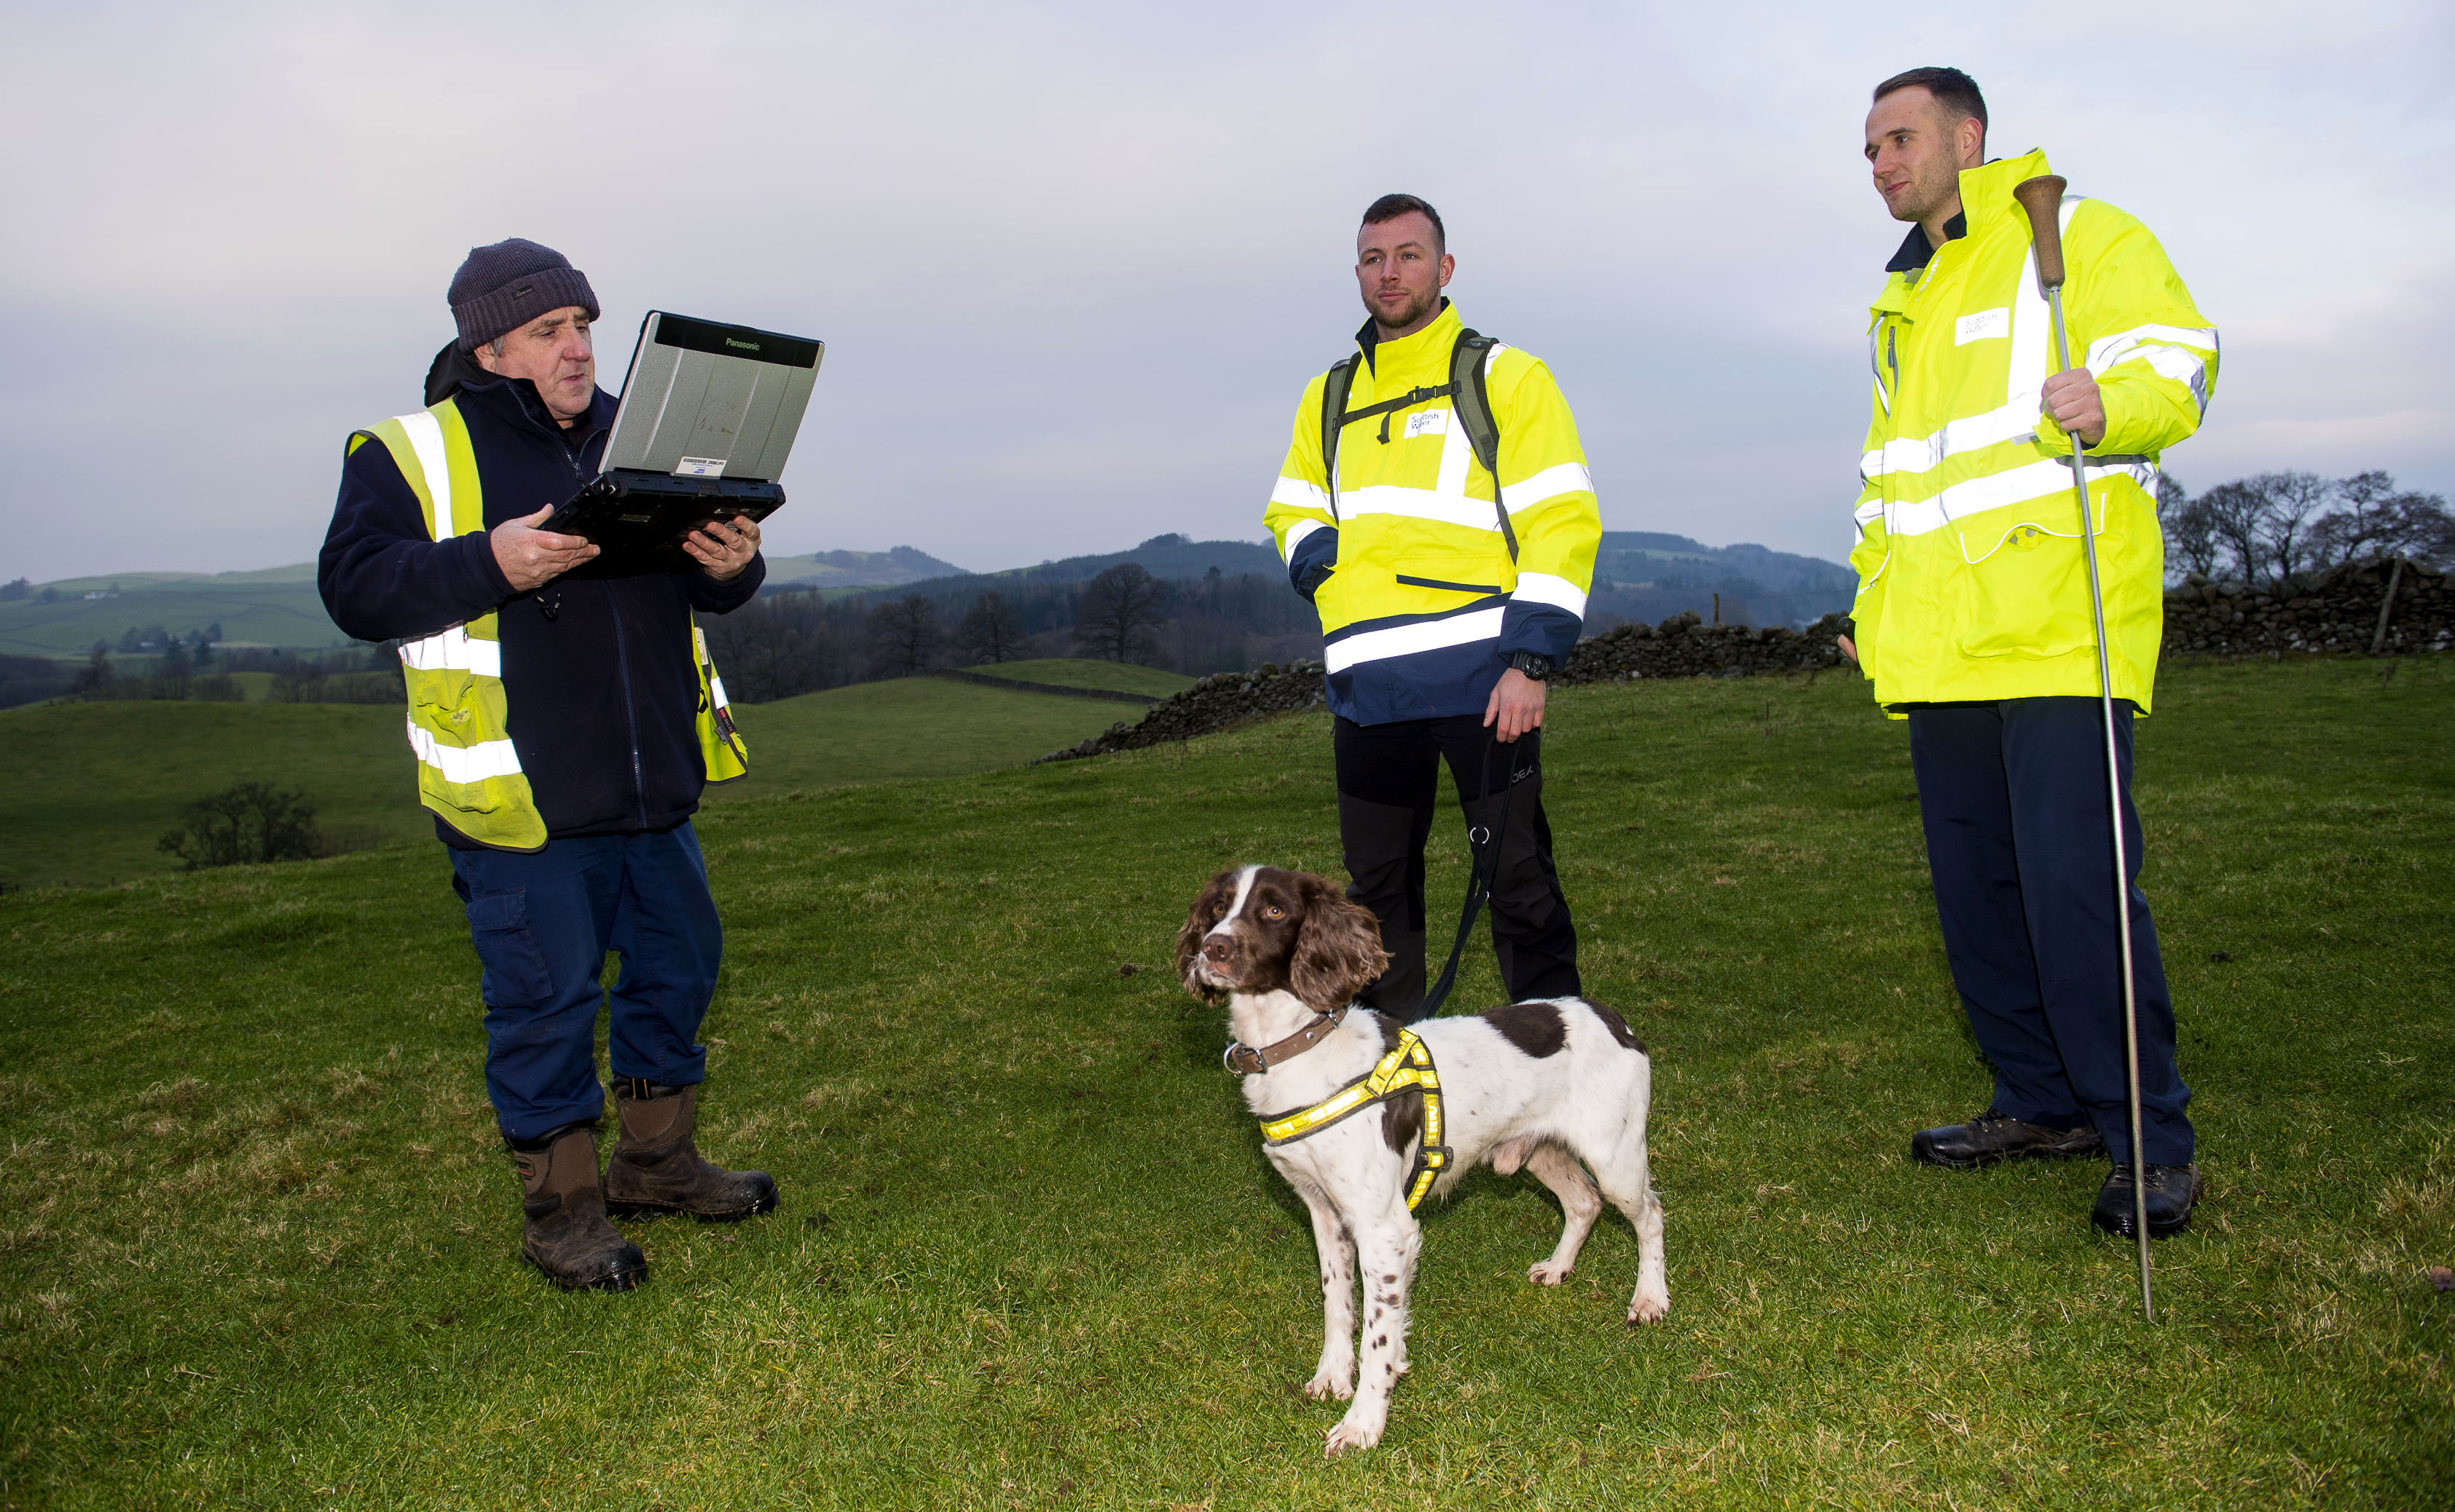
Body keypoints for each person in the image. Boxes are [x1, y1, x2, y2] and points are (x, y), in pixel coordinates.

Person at [319, 238, 779, 1291]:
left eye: (584, 326)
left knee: (676, 972)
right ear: (489, 347)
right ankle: (564, 1214)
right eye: (549, 332)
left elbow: (702, 586)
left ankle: (657, 1165)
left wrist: (733, 566)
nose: (578, 349)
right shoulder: (410, 453)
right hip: (518, 796)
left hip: (654, 784)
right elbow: (352, 588)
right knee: (545, 1000)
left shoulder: (640, 436)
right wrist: (490, 560)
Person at [1848, 69, 2219, 1236]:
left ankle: (2147, 1137)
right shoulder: (1900, 300)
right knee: (1977, 899)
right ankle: (2039, 1100)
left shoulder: (2078, 234)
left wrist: (2113, 402)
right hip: (1941, 652)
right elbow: (1891, 484)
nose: (1880, 162)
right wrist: (1874, 607)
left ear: (1967, 137)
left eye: (1899, 138)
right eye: (1868, 149)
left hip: (2061, 625)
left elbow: (2186, 364)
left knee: (2078, 894)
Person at [1263, 194, 1601, 1021]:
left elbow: (1561, 519)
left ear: (1444, 269)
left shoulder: (1506, 377)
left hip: (1484, 683)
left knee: (1516, 876)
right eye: (1374, 258)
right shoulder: (1328, 395)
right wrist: (1318, 560)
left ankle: (1560, 1065)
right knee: (1374, 896)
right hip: (1369, 690)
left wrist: (1530, 662)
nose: (1391, 272)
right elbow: (1291, 504)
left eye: (1409, 255)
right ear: (1356, 273)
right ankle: (1391, 1072)